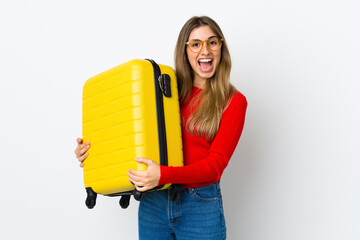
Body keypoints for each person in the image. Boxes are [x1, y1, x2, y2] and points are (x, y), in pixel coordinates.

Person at [74, 16, 247, 240]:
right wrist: (91, 152)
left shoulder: (233, 101)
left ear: (221, 48)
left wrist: (163, 174)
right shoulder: (164, 90)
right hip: (153, 202)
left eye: (212, 42)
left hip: (200, 205)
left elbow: (214, 167)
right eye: (196, 44)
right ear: (185, 51)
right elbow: (128, 131)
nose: (205, 50)